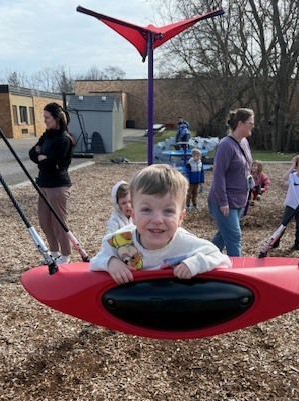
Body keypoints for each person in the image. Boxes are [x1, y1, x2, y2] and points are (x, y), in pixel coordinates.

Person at [90, 164, 231, 284]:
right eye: (146, 209)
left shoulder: (186, 242)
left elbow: (221, 259)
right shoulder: (120, 240)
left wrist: (194, 264)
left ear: (181, 217)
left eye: (168, 211)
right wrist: (111, 263)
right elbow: (96, 260)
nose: (157, 220)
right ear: (133, 215)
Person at [29, 102, 74, 264]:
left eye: (47, 117)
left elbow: (53, 163)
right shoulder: (47, 135)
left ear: (56, 118)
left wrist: (42, 158)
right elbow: (31, 153)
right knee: (44, 221)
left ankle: (66, 256)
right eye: (44, 117)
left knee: (59, 221)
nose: (45, 120)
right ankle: (54, 253)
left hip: (58, 185)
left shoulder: (64, 139)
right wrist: (42, 158)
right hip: (44, 184)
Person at [207, 108, 254, 257]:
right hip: (224, 202)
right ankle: (237, 273)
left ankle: (205, 257)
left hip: (238, 200)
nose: (252, 126)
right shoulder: (226, 145)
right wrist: (223, 202)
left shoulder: (244, 142)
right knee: (234, 237)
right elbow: (218, 175)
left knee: (223, 236)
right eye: (250, 123)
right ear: (240, 123)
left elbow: (245, 168)